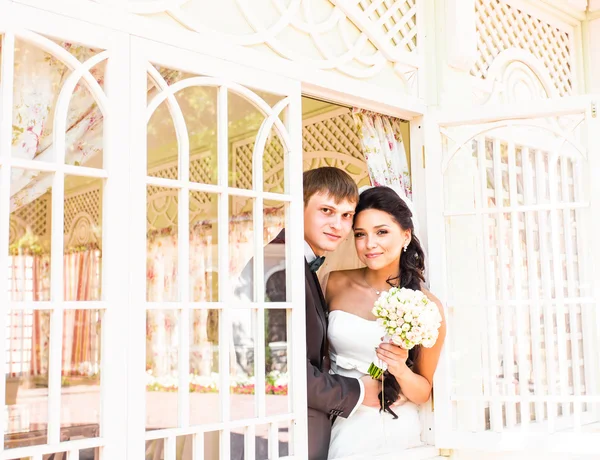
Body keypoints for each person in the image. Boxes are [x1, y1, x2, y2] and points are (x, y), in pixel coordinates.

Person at [325, 185, 446, 459]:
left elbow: (423, 391)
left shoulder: (426, 307)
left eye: (381, 232)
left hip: (396, 430)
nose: (370, 244)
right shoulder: (333, 283)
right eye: (360, 234)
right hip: (342, 420)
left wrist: (400, 369)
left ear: (405, 235)